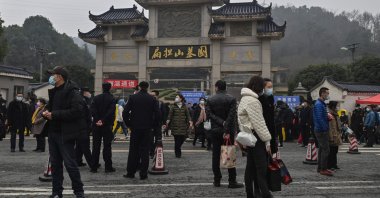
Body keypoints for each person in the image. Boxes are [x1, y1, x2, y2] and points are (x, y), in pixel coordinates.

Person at [43, 66, 85, 198]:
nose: (51, 77)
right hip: (53, 132)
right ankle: (56, 192)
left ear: (60, 77)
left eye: (53, 74)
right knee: (55, 165)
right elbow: (52, 109)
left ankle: (79, 193)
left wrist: (54, 114)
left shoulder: (73, 92)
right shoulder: (54, 91)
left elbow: (77, 111)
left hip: (65, 134)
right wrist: (46, 113)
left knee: (70, 164)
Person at [238, 76, 273, 198]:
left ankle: (250, 194)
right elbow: (259, 124)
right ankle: (266, 194)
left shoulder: (244, 99)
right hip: (256, 138)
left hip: (249, 137)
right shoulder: (254, 101)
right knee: (261, 169)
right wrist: (267, 141)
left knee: (250, 168)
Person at [206, 80, 244, 189]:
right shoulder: (231, 99)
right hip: (228, 132)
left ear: (216, 87)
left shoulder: (210, 99)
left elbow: (209, 114)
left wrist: (220, 122)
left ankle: (216, 180)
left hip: (215, 131)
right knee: (229, 154)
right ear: (225, 87)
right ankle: (232, 181)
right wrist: (226, 129)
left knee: (215, 156)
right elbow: (231, 116)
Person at [123, 81, 160, 180]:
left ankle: (131, 172)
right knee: (145, 151)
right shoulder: (152, 99)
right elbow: (157, 114)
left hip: (135, 128)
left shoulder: (133, 97)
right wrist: (153, 125)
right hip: (147, 128)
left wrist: (129, 124)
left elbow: (125, 112)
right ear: (147, 87)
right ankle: (143, 174)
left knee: (133, 150)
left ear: (139, 87)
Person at [90, 82, 116, 173]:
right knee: (107, 146)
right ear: (110, 88)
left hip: (96, 125)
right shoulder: (112, 98)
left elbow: (92, 110)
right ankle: (108, 167)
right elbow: (111, 111)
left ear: (102, 88)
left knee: (95, 146)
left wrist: (98, 120)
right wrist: (103, 120)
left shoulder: (96, 98)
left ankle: (94, 167)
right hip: (107, 125)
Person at [313, 87, 333, 176]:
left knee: (322, 149)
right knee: (326, 150)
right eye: (327, 93)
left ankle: (320, 168)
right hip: (321, 130)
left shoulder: (321, 104)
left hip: (320, 129)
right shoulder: (319, 104)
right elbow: (319, 118)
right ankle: (323, 169)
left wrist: (327, 118)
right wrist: (325, 128)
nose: (328, 95)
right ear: (322, 94)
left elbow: (321, 117)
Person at [75, 87, 94, 169]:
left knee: (79, 145)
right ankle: (92, 164)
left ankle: (77, 161)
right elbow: (86, 115)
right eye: (89, 92)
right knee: (85, 146)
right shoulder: (82, 101)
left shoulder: (83, 100)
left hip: (80, 127)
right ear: (84, 92)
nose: (90, 94)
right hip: (82, 127)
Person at [258, 78, 277, 154]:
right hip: (262, 131)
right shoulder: (259, 100)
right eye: (268, 87)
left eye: (271, 87)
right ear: (263, 88)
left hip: (271, 130)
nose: (271, 89)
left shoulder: (271, 98)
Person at [150, 90, 166, 158]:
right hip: (150, 124)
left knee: (158, 139)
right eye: (151, 96)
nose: (152, 97)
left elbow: (163, 114)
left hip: (158, 124)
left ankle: (156, 151)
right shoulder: (148, 103)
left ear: (157, 96)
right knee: (149, 139)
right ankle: (151, 151)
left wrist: (164, 123)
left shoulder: (160, 103)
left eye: (154, 95)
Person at [327, 101, 342, 170]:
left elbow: (338, 125)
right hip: (332, 135)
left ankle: (334, 164)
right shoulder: (329, 114)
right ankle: (330, 165)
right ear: (333, 107)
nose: (338, 107)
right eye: (337, 106)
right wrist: (331, 137)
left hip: (337, 134)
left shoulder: (336, 114)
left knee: (335, 150)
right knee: (331, 151)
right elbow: (329, 127)